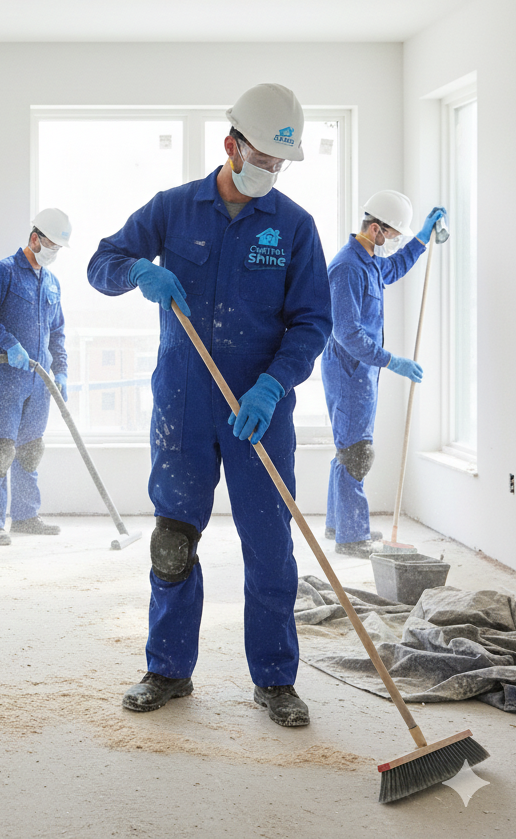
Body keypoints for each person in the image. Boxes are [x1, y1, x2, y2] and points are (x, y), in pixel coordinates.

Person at [88, 84, 332, 728]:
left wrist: (273, 385)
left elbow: (312, 324)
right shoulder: (173, 209)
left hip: (259, 412)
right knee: (173, 544)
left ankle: (276, 680)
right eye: (263, 160)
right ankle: (168, 669)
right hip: (185, 407)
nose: (270, 174)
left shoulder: (294, 226)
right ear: (231, 146)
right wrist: (139, 273)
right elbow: (101, 261)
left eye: (280, 165)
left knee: (271, 549)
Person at [321, 193, 447, 557]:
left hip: (362, 371)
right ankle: (352, 538)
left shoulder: (371, 262)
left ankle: (339, 525)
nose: (393, 241)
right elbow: (347, 333)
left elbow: (396, 266)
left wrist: (422, 237)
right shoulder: (347, 267)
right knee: (357, 453)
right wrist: (393, 362)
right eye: (391, 235)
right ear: (375, 228)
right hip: (348, 370)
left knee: (348, 449)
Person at [0, 209, 71, 546]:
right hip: (6, 380)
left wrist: (62, 370)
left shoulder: (52, 284)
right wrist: (9, 344)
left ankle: (26, 517)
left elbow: (57, 333)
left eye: (59, 248)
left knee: (31, 450)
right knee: (0, 451)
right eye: (51, 245)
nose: (54, 253)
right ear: (34, 238)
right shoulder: (3, 272)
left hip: (39, 385)